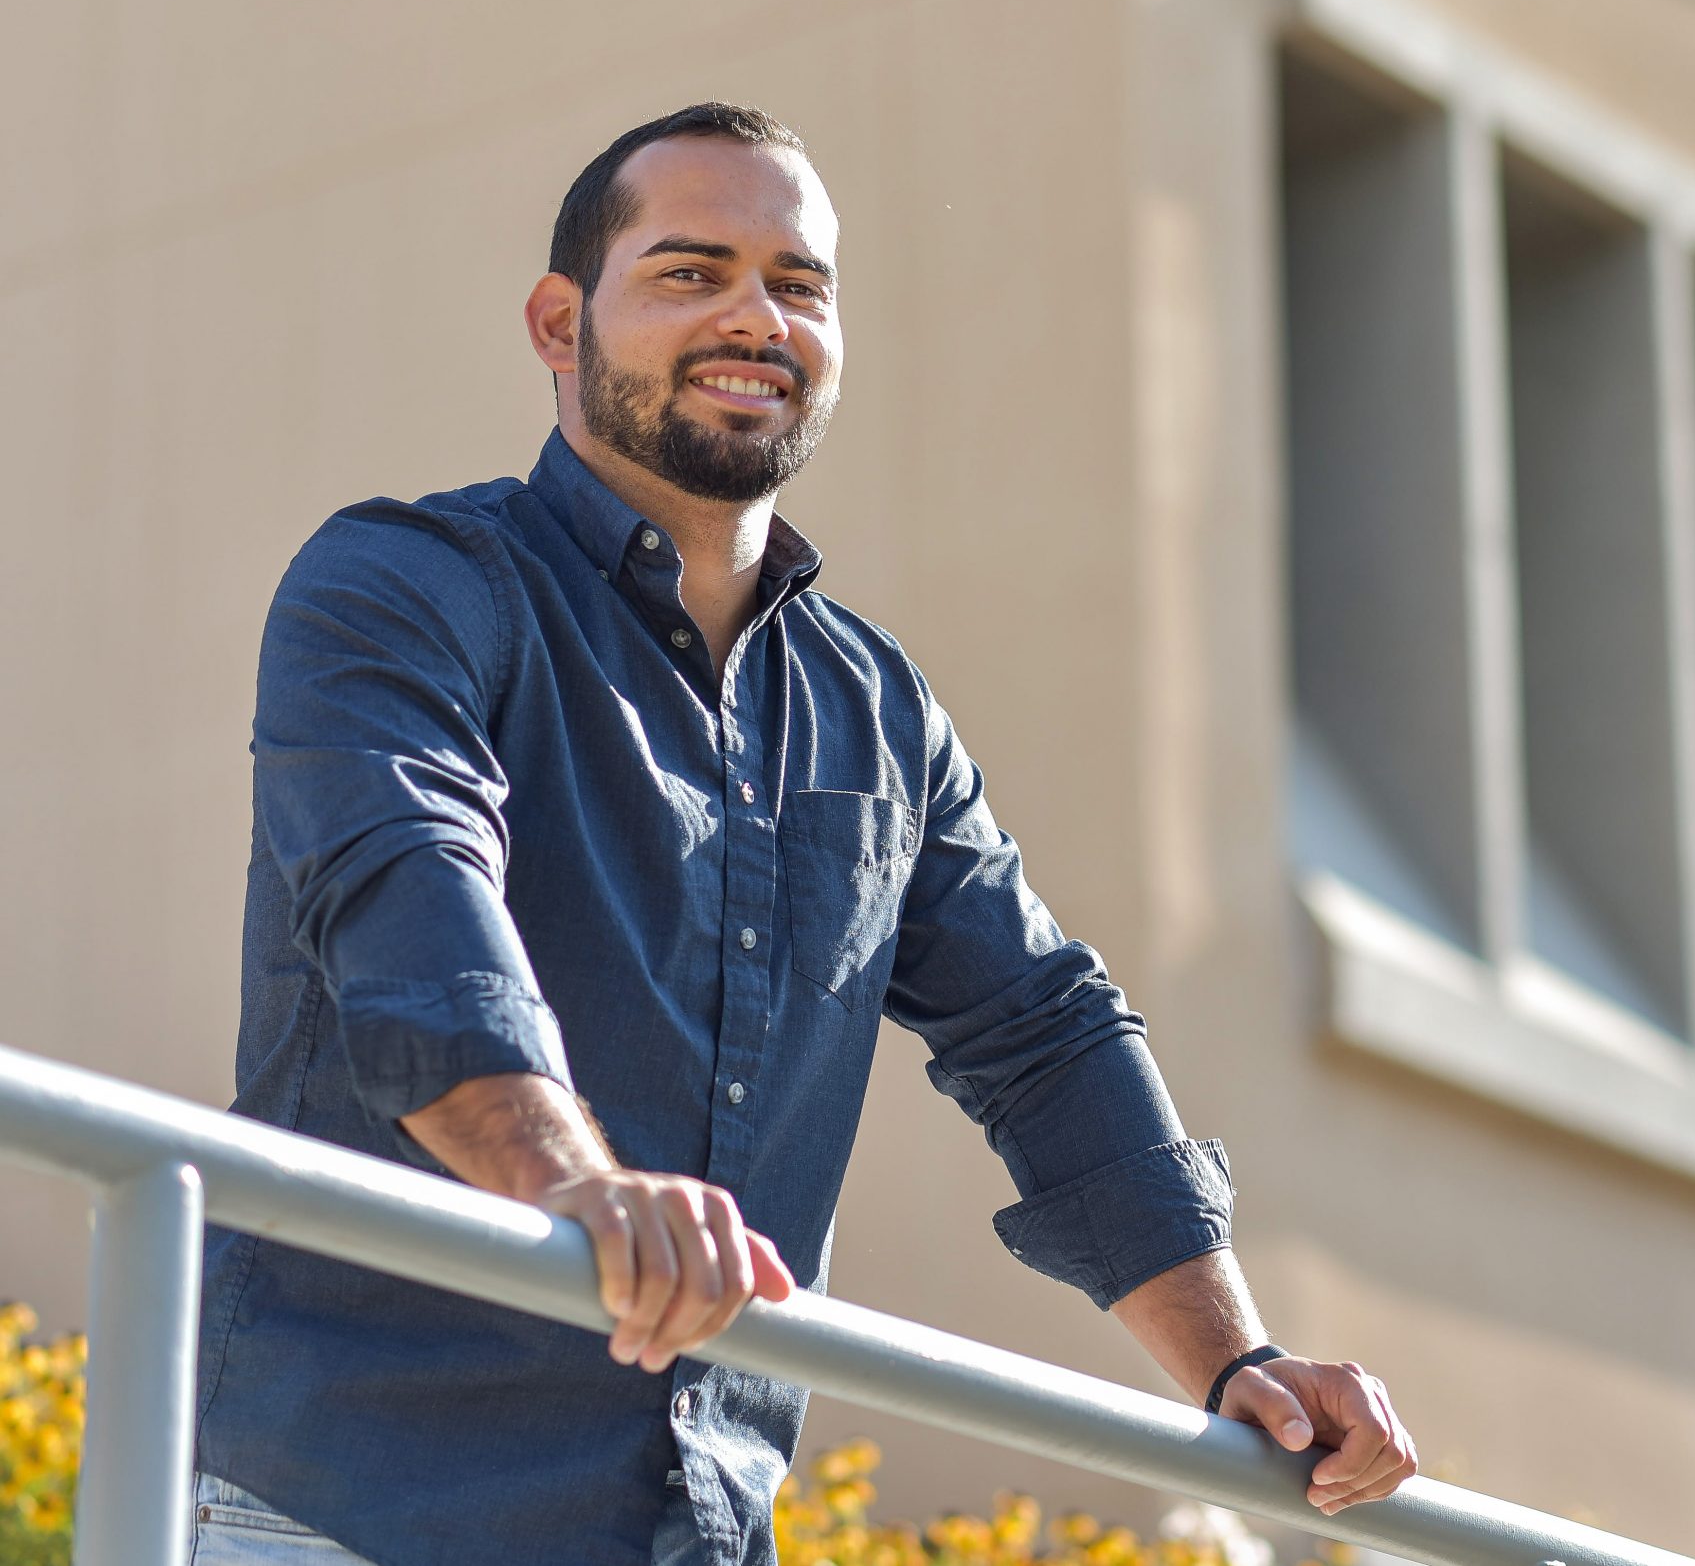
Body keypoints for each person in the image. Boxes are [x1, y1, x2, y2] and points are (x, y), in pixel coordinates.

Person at [189, 102, 1417, 1566]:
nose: (755, 316)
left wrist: (1238, 1367)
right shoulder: (402, 585)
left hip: (693, 1533)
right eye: (691, 271)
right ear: (557, 321)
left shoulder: (877, 710)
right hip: (348, 1515)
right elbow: (407, 892)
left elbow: (1046, 1032)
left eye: (800, 282)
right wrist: (576, 1187)